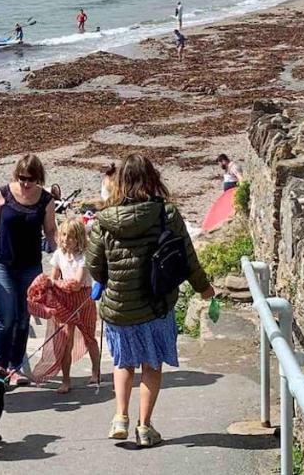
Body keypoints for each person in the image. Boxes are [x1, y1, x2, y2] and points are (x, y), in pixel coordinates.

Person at [85, 154, 213, 448]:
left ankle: (120, 417)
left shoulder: (104, 219)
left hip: (119, 306)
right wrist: (204, 288)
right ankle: (144, 426)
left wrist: (109, 279)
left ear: (119, 183)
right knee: (151, 365)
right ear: (152, 178)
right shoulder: (165, 213)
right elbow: (188, 257)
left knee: (123, 362)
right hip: (156, 303)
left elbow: (94, 265)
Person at [0, 154, 57, 386]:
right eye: (22, 178)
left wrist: (62, 257)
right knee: (7, 315)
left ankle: (15, 367)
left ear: (38, 178)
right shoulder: (3, 194)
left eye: (31, 179)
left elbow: (50, 232)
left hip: (29, 265)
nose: (26, 183)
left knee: (23, 318)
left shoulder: (46, 200)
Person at [46, 217, 101, 393]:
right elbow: (52, 277)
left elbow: (77, 283)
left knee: (89, 337)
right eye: (63, 235)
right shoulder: (58, 255)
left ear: (79, 239)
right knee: (65, 341)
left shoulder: (84, 257)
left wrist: (55, 283)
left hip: (84, 299)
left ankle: (96, 371)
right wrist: (54, 284)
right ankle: (66, 379)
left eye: (70, 236)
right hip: (64, 300)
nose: (66, 239)